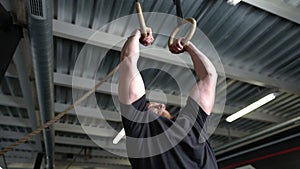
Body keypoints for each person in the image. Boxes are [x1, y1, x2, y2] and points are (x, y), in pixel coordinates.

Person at [118, 27, 218, 169]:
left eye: (161, 105)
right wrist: (136, 34)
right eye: (152, 105)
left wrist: (188, 45)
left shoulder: (191, 123)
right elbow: (128, 63)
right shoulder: (141, 130)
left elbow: (209, 76)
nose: (160, 106)